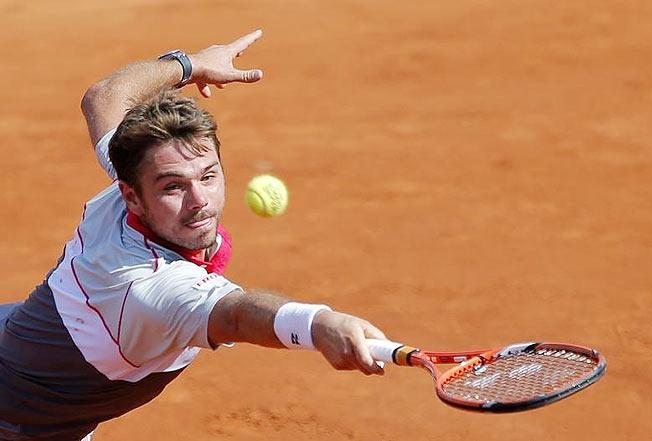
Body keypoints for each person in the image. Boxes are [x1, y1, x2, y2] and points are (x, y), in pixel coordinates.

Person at [0, 29, 387, 441]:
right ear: (132, 196)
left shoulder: (131, 181)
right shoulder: (150, 290)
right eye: (173, 187)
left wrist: (192, 65)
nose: (199, 200)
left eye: (208, 175)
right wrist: (318, 322)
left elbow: (104, 96)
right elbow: (237, 314)